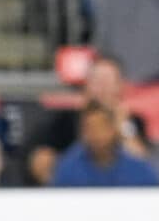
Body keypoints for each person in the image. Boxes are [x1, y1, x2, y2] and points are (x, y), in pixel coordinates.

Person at [29, 53, 150, 185]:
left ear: (120, 87)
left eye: (107, 82)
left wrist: (122, 126)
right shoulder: (64, 121)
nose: (102, 89)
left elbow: (142, 165)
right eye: (97, 82)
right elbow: (40, 163)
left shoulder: (132, 122)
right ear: (85, 86)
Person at [49, 102, 159, 186]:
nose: (95, 134)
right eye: (89, 128)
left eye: (101, 127)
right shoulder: (67, 168)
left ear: (113, 129)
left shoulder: (139, 169)